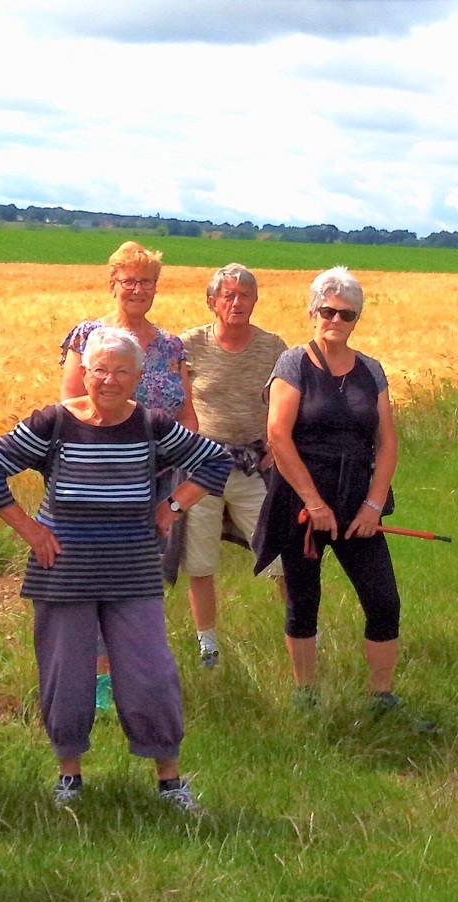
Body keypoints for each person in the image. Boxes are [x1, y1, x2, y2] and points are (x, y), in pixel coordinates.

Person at [0, 327, 230, 812]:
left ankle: (170, 782)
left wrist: (171, 507)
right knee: (65, 674)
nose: (109, 381)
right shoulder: (53, 423)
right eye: (100, 370)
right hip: (62, 569)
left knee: (151, 673)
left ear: (137, 377)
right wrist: (30, 530)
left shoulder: (152, 425)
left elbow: (214, 460)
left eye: (121, 372)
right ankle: (69, 777)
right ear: (84, 372)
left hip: (133, 567)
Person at [253, 268, 401, 707]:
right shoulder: (293, 364)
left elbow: (387, 440)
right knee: (303, 600)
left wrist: (373, 505)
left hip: (358, 500)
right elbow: (278, 435)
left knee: (383, 599)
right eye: (327, 311)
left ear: (357, 319)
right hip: (301, 502)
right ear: (312, 312)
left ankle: (382, 698)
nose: (335, 320)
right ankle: (305, 694)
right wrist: (313, 503)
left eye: (346, 314)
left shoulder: (371, 370)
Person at [58, 241, 195, 709]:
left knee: (142, 580)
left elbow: (188, 416)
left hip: (157, 481)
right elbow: (70, 409)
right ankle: (98, 685)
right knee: (98, 576)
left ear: (156, 288)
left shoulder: (171, 345)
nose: (138, 290)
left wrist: (182, 485)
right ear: (112, 284)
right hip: (103, 476)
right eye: (129, 281)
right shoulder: (88, 337)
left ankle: (133, 677)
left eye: (147, 282)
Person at [176, 263, 288, 667]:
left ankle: (299, 629)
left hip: (252, 465)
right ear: (212, 302)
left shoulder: (275, 348)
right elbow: (176, 401)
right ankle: (208, 643)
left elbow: (289, 401)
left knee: (279, 553)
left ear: (255, 301)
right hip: (201, 469)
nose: (237, 302)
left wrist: (278, 446)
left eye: (244, 295)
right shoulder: (188, 346)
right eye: (228, 295)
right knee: (200, 558)